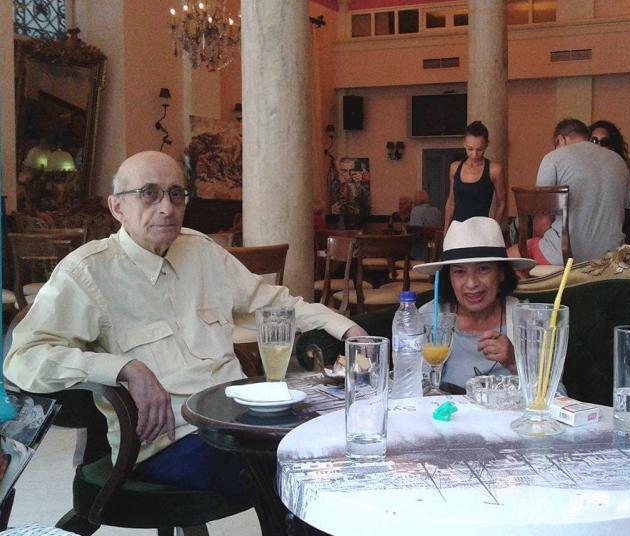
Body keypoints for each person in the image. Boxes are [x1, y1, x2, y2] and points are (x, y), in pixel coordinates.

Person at [4, 151, 367, 500]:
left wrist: (347, 329)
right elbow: (23, 358)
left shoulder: (202, 252)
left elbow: (275, 305)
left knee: (336, 443)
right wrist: (124, 368)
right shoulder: (88, 272)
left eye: (176, 194)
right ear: (117, 207)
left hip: (239, 422)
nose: (167, 207)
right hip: (168, 442)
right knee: (294, 471)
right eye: (149, 193)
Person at [413, 217, 535, 389]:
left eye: (483, 269)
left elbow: (558, 395)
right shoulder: (428, 317)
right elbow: (409, 387)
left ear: (501, 273)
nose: (471, 283)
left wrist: (515, 362)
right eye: (459, 272)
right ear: (449, 277)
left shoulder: (526, 320)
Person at [507, 118, 630, 266]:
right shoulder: (619, 162)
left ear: (561, 140)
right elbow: (622, 215)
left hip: (565, 257)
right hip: (612, 258)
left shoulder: (553, 158)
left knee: (505, 260)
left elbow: (541, 225)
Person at [444, 121, 507, 230]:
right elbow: (451, 200)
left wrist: (493, 228)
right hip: (457, 229)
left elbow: (501, 203)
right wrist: (446, 229)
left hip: (481, 229)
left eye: (480, 149)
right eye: (470, 149)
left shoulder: (494, 170)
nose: (474, 154)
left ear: (486, 145)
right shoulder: (455, 168)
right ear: (464, 143)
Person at [588, 120, 630, 197]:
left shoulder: (617, 167)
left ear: (612, 146)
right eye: (594, 141)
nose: (598, 145)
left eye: (604, 142)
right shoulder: (581, 165)